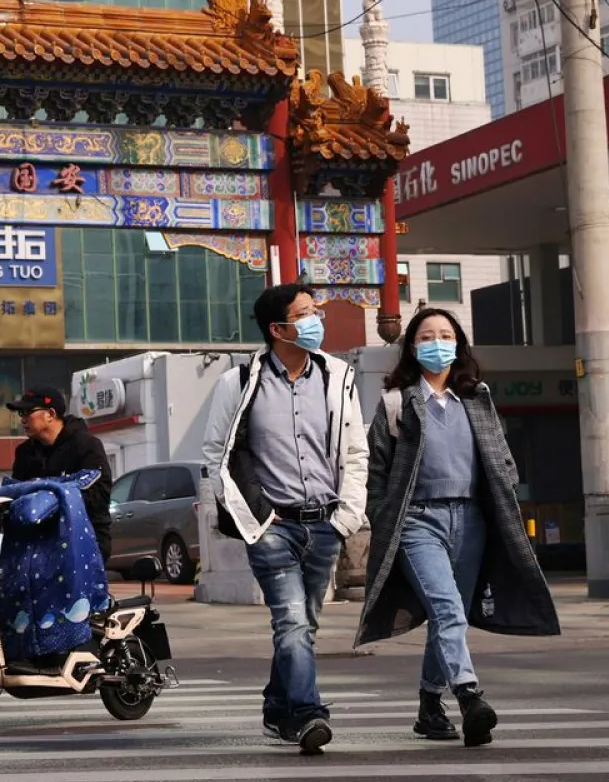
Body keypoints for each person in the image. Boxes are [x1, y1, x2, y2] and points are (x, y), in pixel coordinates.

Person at [355, 307, 559, 747]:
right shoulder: (396, 403)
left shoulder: (476, 399)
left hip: (471, 521)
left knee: (451, 618)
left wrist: (504, 490)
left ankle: (430, 705)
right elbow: (375, 474)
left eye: (445, 335)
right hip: (417, 522)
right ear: (412, 346)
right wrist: (386, 516)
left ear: (458, 344)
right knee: (446, 609)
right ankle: (470, 698)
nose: (436, 343)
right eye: (426, 336)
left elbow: (502, 458)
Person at [201, 282, 368, 755]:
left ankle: (277, 707)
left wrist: (347, 516)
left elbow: (355, 451)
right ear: (278, 329)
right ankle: (307, 714)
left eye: (317, 310)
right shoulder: (237, 382)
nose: (317, 319)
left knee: (304, 624)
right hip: (272, 525)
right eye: (306, 312)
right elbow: (216, 452)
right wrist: (251, 518)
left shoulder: (338, 377)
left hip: (326, 524)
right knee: (292, 621)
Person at [5, 385, 115, 562]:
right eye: (20, 414)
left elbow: (99, 496)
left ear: (50, 414)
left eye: (28, 412)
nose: (23, 419)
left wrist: (52, 499)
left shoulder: (86, 446)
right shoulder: (24, 453)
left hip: (84, 538)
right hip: (39, 544)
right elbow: (17, 494)